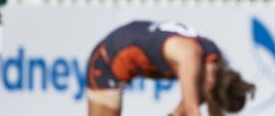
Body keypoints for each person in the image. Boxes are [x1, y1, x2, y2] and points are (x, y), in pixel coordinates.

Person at [86, 20, 255, 116]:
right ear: (211, 87)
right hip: (107, 60)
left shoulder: (213, 61)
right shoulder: (190, 57)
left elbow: (212, 108)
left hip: (128, 38)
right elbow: (192, 110)